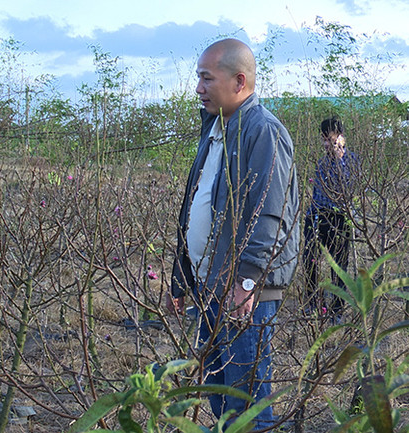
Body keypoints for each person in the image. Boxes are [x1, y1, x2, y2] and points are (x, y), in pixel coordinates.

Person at [167, 39, 299, 430]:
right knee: (219, 391)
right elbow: (197, 205)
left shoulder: (264, 133)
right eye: (198, 79)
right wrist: (181, 278)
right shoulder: (216, 129)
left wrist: (246, 280)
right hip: (212, 285)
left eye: (207, 79)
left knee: (248, 402)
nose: (198, 88)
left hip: (243, 292)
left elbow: (268, 214)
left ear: (239, 80)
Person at [302, 117, 359, 318]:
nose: (326, 144)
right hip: (317, 217)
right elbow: (317, 192)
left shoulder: (351, 161)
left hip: (339, 218)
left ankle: (336, 310)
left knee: (339, 268)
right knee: (309, 260)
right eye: (324, 140)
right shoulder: (322, 162)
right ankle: (311, 303)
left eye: (331, 139)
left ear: (341, 138)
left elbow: (347, 187)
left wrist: (339, 158)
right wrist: (311, 218)